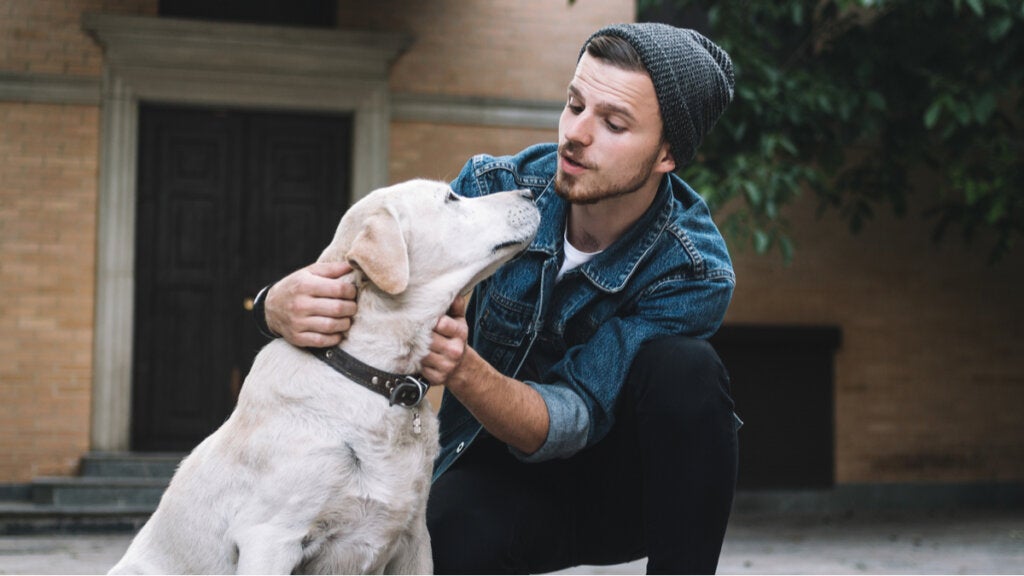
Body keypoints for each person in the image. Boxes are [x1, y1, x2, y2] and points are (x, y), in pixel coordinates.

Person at [255, 22, 739, 575]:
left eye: (613, 123)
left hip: (622, 496)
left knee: (686, 368)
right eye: (575, 104)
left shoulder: (692, 269)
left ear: (667, 155)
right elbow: (372, 283)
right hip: (491, 473)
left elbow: (573, 418)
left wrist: (462, 368)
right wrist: (276, 305)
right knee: (441, 534)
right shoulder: (493, 191)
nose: (576, 134)